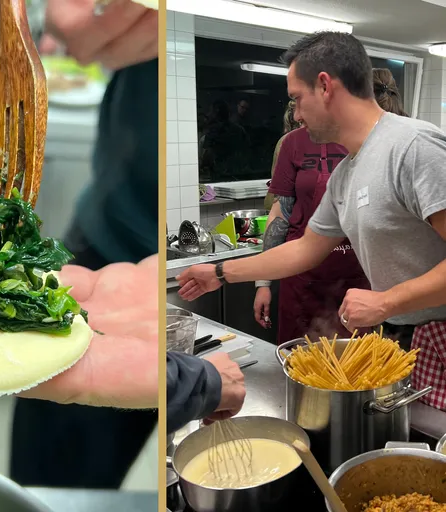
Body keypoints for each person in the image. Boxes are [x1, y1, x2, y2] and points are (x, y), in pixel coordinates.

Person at [0, 109, 246, 439]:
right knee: (53, 432)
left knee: (94, 432)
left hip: (127, 253)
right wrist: (199, 382)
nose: (294, 110)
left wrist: (196, 382)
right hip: (101, 231)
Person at [178, 31, 446, 412]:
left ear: (325, 86)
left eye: (296, 99)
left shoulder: (414, 148)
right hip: (405, 335)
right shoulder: (348, 174)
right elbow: (305, 248)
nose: (296, 114)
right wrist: (220, 273)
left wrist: (385, 301)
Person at [253, 69, 412, 343]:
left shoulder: (398, 146)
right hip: (303, 279)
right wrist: (261, 282)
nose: (298, 115)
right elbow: (284, 215)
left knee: (361, 369)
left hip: (364, 282)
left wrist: (393, 295)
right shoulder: (293, 144)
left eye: (300, 100)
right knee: (301, 364)